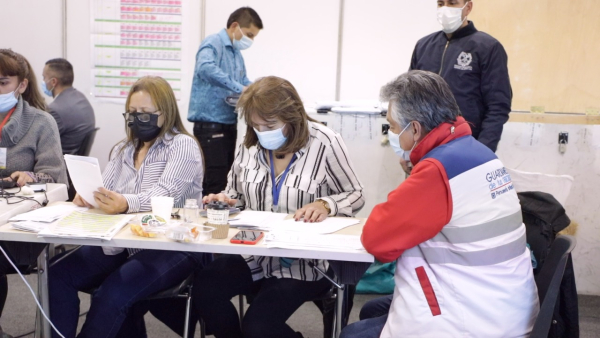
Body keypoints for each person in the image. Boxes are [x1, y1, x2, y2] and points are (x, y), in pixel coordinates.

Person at [341, 70, 538, 338]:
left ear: (415, 128)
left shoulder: (438, 169)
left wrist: (417, 174)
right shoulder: (479, 153)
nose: (392, 134)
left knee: (353, 334)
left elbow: (377, 240)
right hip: (505, 300)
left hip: (473, 316)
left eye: (394, 127)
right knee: (374, 310)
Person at [192, 76, 365, 338]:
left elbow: (356, 194)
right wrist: (226, 200)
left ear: (292, 116)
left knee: (258, 327)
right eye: (256, 124)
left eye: (270, 124)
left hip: (304, 263)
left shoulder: (325, 142)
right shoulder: (249, 145)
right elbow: (235, 193)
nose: (263, 132)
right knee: (204, 289)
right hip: (253, 252)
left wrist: (325, 204)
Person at [48, 76, 210, 338]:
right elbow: (106, 187)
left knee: (111, 294)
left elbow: (165, 195)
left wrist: (124, 203)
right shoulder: (124, 149)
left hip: (172, 244)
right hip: (123, 240)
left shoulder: (182, 145)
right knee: (56, 274)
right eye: (132, 113)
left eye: (146, 113)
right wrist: (90, 196)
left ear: (165, 113)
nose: (137, 119)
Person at [0, 49, 67, 338]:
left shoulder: (41, 123)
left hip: (22, 229)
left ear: (22, 85)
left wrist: (30, 177)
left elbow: (56, 180)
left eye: (3, 82)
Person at [407, 0, 511, 164]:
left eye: (452, 3)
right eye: (441, 3)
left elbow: (498, 106)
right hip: (425, 151)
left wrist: (481, 152)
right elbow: (411, 100)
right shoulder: (424, 46)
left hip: (465, 150)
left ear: (468, 7)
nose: (445, 8)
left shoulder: (488, 47)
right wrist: (408, 147)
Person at [187, 7, 263, 196]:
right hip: (211, 127)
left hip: (228, 124)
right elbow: (205, 68)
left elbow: (243, 81)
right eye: (249, 35)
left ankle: (221, 222)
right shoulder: (213, 43)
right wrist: (240, 88)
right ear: (235, 26)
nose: (250, 41)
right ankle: (209, 223)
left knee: (227, 179)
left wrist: (260, 90)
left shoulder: (236, 54)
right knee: (215, 180)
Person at [42, 58, 96, 155]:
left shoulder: (55, 110)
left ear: (53, 82)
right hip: (75, 162)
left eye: (44, 77)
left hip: (60, 164)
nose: (43, 81)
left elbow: (40, 142)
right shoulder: (81, 98)